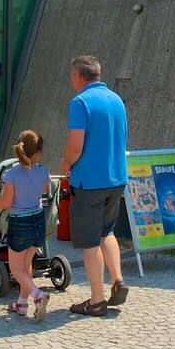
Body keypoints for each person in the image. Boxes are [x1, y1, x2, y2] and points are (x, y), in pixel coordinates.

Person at [60, 55, 130, 317]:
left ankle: (97, 300)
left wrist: (67, 162)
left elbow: (76, 146)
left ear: (78, 76)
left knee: (90, 241)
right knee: (107, 232)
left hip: (90, 182)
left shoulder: (80, 102)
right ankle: (118, 279)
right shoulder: (116, 100)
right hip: (117, 178)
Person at [0, 130, 53, 321]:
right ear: (38, 152)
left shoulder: (11, 174)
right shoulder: (43, 171)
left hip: (20, 222)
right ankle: (22, 303)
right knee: (26, 264)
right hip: (38, 220)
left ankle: (37, 295)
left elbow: (6, 203)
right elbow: (46, 190)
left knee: (15, 268)